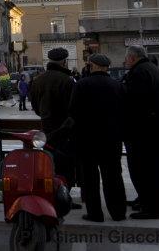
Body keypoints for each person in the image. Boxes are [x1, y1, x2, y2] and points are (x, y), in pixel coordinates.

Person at [68, 54, 126, 222]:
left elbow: (73, 111)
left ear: (92, 66)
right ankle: (118, 212)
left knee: (90, 177)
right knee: (114, 175)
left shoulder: (82, 85)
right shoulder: (117, 85)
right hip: (111, 139)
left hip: (87, 139)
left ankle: (95, 213)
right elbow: (125, 111)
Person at [123, 46, 159, 219]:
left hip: (145, 130)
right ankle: (149, 201)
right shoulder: (150, 68)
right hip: (155, 128)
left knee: (147, 169)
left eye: (127, 58)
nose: (125, 61)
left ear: (133, 57)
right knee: (154, 169)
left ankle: (152, 208)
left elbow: (136, 102)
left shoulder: (139, 72)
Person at [27, 47, 77, 187]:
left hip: (47, 129)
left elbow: (36, 106)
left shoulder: (38, 80)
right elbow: (73, 108)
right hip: (64, 130)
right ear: (64, 62)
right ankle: (64, 193)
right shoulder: (67, 80)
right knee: (66, 164)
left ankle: (52, 193)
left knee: (50, 162)